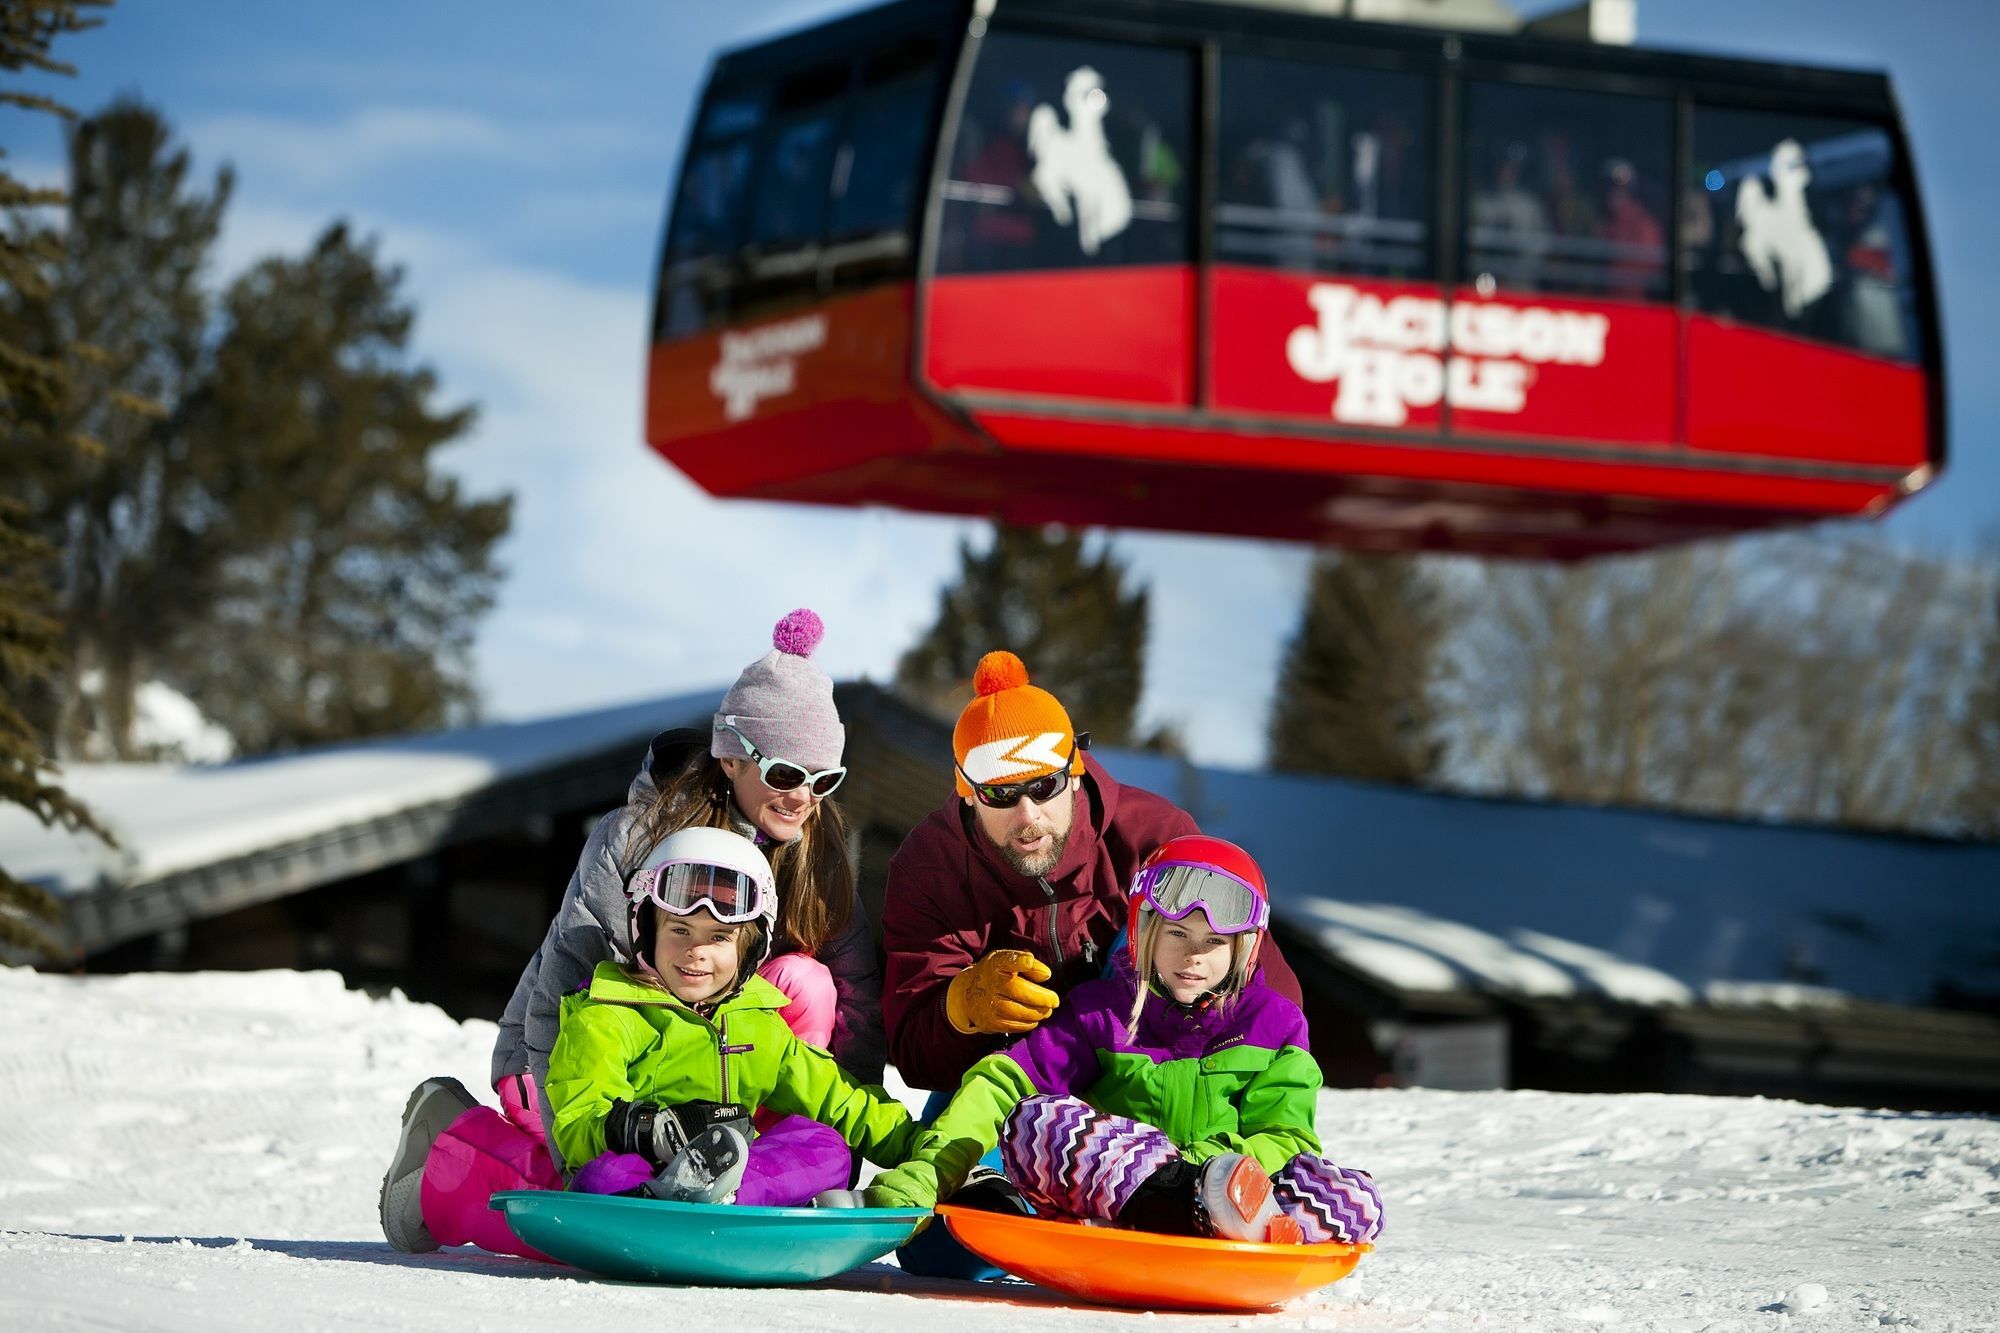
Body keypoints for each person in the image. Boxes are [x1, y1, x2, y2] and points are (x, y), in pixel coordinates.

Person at [379, 608, 885, 1253]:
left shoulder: (821, 854)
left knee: (807, 982)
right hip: (581, 1054)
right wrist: (576, 1158)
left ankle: (737, 1174)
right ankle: (448, 1157)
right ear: (731, 758)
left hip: (717, 1074)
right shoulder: (638, 837)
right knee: (602, 1216)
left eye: (824, 780)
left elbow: (860, 1009)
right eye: (786, 773)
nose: (803, 796)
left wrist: (837, 1155)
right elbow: (570, 984)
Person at [828, 835, 1384, 1248]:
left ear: (1244, 950)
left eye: (1215, 943)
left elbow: (1285, 1133)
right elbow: (1003, 1083)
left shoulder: (1275, 1025)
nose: (1194, 957)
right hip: (1124, 1192)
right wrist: (928, 1174)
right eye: (1177, 935)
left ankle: (1237, 1222)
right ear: (1143, 933)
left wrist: (1218, 1171)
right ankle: (1208, 1222)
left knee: (1353, 1197)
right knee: (1037, 1122)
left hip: (1235, 1186)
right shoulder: (1101, 1013)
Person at [407, 829, 921, 1259]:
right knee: (604, 1177)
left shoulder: (760, 1024)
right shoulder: (608, 1016)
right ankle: (680, 1206)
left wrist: (931, 1152)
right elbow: (579, 1122)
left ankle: (728, 1201)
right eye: (679, 929)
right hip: (639, 1173)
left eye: (719, 938)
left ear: (750, 946)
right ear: (645, 929)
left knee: (826, 1144)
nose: (697, 953)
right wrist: (642, 1129)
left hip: (723, 1179)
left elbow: (842, 1101)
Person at [881, 648, 1301, 1096]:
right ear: (968, 794)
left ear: (1074, 774)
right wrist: (961, 1009)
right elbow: (912, 1056)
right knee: (957, 1129)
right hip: (1012, 1083)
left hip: (1144, 1080)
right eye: (1000, 795)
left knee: (1160, 916)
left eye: (1044, 787)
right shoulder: (929, 870)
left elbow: (1261, 985)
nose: (1028, 815)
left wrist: (1258, 1101)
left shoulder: (1154, 838)